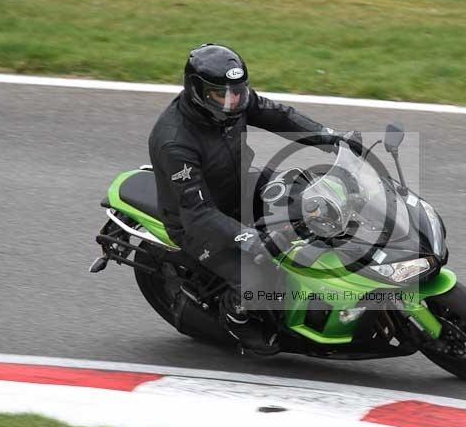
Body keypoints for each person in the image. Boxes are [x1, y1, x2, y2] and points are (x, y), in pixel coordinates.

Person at [148, 43, 353, 355]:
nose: (232, 102)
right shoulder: (175, 142)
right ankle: (237, 317)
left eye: (238, 92)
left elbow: (280, 116)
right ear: (196, 91)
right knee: (260, 271)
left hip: (239, 183)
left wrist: (329, 137)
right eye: (221, 94)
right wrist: (251, 239)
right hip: (198, 221)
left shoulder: (235, 99)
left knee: (306, 189)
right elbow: (199, 214)